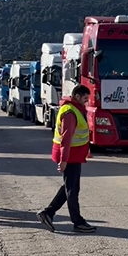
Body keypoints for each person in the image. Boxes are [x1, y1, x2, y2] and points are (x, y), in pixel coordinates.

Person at [37, 84, 97, 233]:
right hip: (69, 156)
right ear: (77, 96)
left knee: (68, 187)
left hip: (73, 155)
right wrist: (63, 161)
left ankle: (48, 213)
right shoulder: (70, 113)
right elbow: (66, 139)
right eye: (84, 98)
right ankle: (78, 222)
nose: (86, 102)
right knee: (72, 189)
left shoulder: (74, 109)